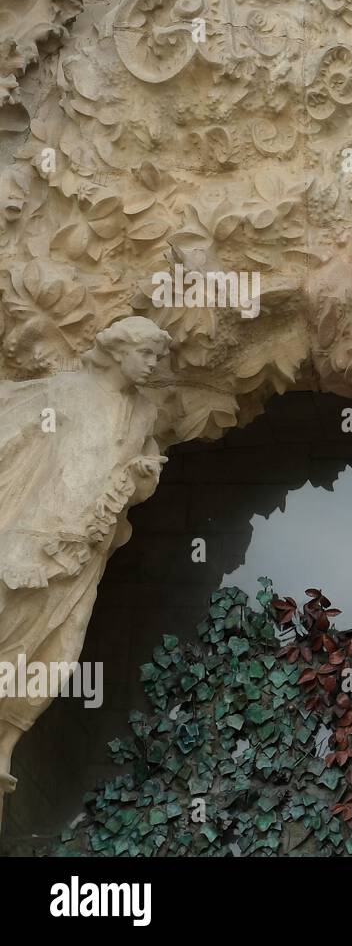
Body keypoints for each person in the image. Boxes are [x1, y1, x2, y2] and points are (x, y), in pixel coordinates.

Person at [0, 316, 170, 827]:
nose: (154, 364)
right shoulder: (66, 390)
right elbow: (16, 440)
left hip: (87, 550)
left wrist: (143, 477)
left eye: (159, 358)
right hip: (36, 536)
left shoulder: (144, 412)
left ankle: (5, 742)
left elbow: (137, 481)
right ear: (119, 350)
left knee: (58, 648)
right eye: (147, 354)